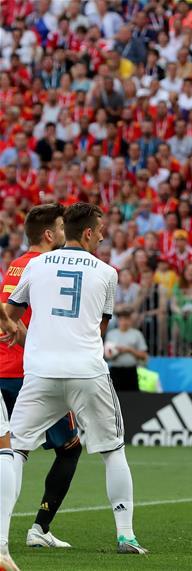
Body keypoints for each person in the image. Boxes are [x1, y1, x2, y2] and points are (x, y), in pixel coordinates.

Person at [0, 203, 148, 559]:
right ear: (87, 233)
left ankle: (2, 541)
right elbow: (101, 328)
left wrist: (24, 332)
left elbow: (12, 313)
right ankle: (125, 536)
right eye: (99, 230)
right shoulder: (108, 272)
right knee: (113, 451)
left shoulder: (34, 264)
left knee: (14, 450)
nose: (101, 235)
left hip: (39, 372)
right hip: (86, 371)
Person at [0, 204, 79, 552]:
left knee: (13, 450)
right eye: (62, 227)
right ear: (49, 234)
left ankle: (7, 532)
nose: (64, 233)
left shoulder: (15, 265)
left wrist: (14, 327)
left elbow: (6, 312)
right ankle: (39, 527)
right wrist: (33, 337)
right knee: (69, 448)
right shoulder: (45, 264)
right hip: (32, 373)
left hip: (4, 371)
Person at [104, 309, 149, 392]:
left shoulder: (137, 334)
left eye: (126, 319)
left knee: (133, 398)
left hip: (131, 372)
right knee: (114, 398)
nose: (124, 322)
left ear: (130, 320)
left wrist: (129, 350)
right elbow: (106, 355)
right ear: (118, 321)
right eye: (121, 319)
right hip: (115, 371)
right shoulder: (111, 334)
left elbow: (144, 356)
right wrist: (115, 352)